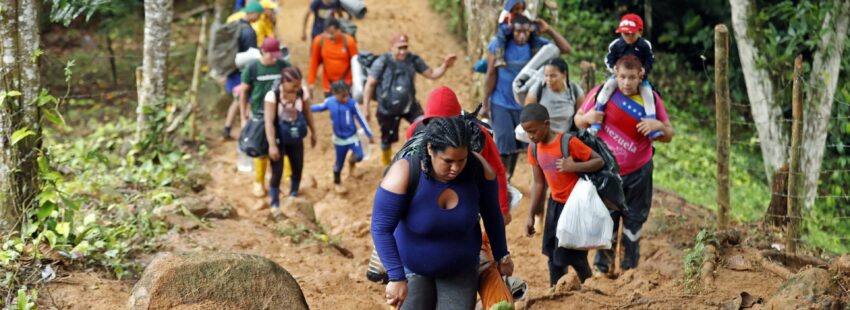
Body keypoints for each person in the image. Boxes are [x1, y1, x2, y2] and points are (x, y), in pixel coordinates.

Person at [371, 116, 513, 309]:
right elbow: (381, 228)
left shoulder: (478, 170)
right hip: (412, 267)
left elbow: (492, 216)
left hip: (461, 268)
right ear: (430, 149)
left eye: (461, 160)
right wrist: (396, 277)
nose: (455, 168)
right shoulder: (404, 173)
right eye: (447, 161)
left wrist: (502, 255)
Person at [404, 86, 514, 308]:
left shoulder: (479, 136)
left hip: (464, 218)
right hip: (418, 225)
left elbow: (497, 172)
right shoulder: (416, 131)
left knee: (481, 259)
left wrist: (501, 209)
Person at [573, 55, 674, 276]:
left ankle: (630, 269)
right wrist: (588, 116)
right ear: (615, 74)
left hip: (640, 172)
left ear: (641, 76)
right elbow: (578, 120)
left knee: (634, 221)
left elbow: (669, 134)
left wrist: (657, 125)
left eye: (631, 78)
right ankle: (602, 268)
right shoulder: (603, 93)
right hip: (608, 173)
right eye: (622, 77)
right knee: (606, 218)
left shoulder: (651, 100)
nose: (626, 83)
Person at [479, 14, 571, 182]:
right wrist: (485, 103)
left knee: (515, 143)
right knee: (503, 139)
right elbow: (491, 74)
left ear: (531, 31)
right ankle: (500, 178)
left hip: (525, 105)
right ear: (512, 30)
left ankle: (507, 176)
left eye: (526, 32)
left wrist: (549, 29)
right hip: (501, 102)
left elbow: (566, 49)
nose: (522, 36)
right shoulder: (500, 46)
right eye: (518, 31)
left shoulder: (538, 46)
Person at [521, 103, 604, 286]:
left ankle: (589, 288)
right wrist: (531, 215)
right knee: (552, 254)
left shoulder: (567, 143)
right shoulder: (534, 149)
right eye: (527, 132)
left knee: (576, 255)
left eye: (533, 131)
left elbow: (599, 161)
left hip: (576, 207)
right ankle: (556, 292)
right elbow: (538, 183)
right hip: (555, 206)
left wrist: (574, 166)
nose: (531, 136)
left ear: (546, 124)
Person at [362, 33, 458, 167]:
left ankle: (423, 160)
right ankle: (386, 163)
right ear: (391, 47)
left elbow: (432, 74)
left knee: (426, 128)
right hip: (387, 108)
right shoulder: (382, 62)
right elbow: (370, 84)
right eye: (399, 48)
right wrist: (366, 108)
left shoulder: (413, 59)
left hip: (410, 105)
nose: (402, 52)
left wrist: (445, 65)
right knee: (386, 139)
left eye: (405, 47)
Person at [240, 38, 295, 198]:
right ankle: (259, 181)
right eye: (271, 54)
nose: (274, 58)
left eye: (276, 55)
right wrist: (243, 116)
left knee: (284, 147)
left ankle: (287, 181)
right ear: (263, 52)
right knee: (261, 149)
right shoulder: (252, 68)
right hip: (259, 114)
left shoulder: (282, 66)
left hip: (282, 113)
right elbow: (243, 93)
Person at [593, 13, 661, 138]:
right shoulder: (616, 45)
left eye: (632, 34)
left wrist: (644, 71)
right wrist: (614, 69)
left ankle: (651, 124)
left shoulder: (645, 45)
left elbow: (650, 60)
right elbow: (609, 59)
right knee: (606, 88)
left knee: (648, 95)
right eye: (625, 34)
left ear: (640, 32)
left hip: (638, 78)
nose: (628, 37)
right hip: (619, 76)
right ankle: (597, 114)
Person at [263, 67, 317, 216]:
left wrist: (313, 132)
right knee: (277, 170)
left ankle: (293, 196)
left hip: (295, 136)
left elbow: (307, 111)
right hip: (279, 138)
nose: (296, 88)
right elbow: (268, 122)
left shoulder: (301, 92)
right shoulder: (273, 95)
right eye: (293, 85)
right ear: (284, 82)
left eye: (298, 85)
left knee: (298, 166)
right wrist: (272, 145)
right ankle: (275, 203)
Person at [310, 81, 373, 194]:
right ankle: (337, 183)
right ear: (335, 94)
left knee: (359, 155)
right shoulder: (330, 102)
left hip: (352, 137)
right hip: (339, 140)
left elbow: (361, 118)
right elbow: (318, 107)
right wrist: (304, 108)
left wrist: (368, 133)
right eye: (343, 95)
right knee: (339, 163)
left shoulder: (352, 104)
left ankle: (352, 164)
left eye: (347, 94)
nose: (346, 98)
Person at [223, 1, 263, 139]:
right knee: (248, 100)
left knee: (237, 99)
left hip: (231, 69)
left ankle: (227, 128)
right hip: (242, 73)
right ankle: (248, 132)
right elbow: (251, 56)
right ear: (253, 14)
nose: (259, 18)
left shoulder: (236, 26)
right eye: (259, 15)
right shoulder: (249, 32)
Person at [524, 58, 584, 133]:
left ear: (564, 74)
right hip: (543, 139)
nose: (548, 79)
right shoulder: (537, 89)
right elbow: (527, 117)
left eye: (553, 76)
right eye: (546, 75)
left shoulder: (575, 90)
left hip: (566, 139)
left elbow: (581, 118)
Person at [308, 18, 358, 98]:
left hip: (347, 83)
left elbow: (356, 64)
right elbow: (314, 62)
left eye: (332, 33)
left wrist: (357, 84)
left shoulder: (349, 42)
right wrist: (311, 82)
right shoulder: (319, 41)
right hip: (329, 85)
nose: (329, 36)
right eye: (326, 33)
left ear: (339, 30)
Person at [492, 0, 538, 68]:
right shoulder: (506, 15)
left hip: (523, 32)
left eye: (521, 9)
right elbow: (501, 27)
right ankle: (499, 57)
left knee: (534, 37)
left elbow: (531, 23)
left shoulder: (525, 14)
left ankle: (535, 52)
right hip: (508, 33)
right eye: (516, 9)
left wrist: (532, 28)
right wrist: (508, 28)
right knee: (500, 38)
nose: (519, 11)